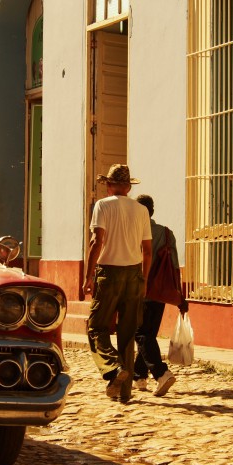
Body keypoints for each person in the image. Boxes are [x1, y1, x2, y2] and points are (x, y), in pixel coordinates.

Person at [82, 164, 152, 402]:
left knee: (96, 328)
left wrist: (88, 277)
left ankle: (113, 368)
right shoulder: (141, 210)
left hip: (109, 273)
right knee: (127, 333)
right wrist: (144, 280)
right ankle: (124, 392)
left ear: (109, 185)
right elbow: (148, 251)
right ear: (129, 187)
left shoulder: (102, 205)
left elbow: (97, 242)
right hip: (134, 275)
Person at [134, 194, 188, 397]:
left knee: (141, 334)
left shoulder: (134, 232)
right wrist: (179, 296)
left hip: (140, 290)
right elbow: (174, 267)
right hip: (160, 292)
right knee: (148, 334)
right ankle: (139, 375)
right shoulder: (167, 233)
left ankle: (161, 373)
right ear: (153, 211)